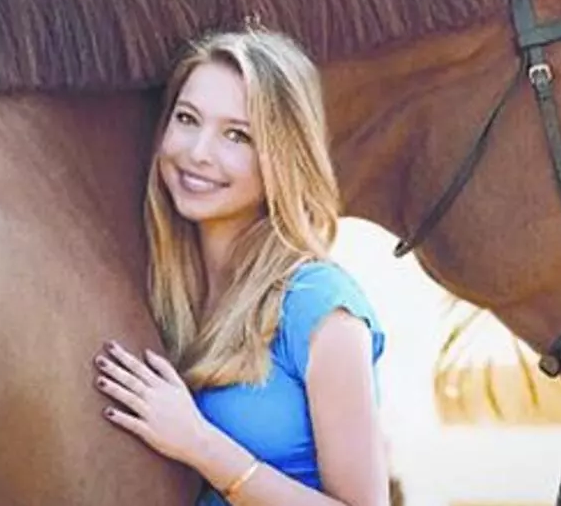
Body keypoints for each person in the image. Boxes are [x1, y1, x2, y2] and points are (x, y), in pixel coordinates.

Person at [92, 29, 389, 506]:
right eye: (187, 119)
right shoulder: (154, 287)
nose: (198, 152)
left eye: (237, 135)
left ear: (283, 157)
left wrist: (200, 445)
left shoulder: (319, 307)